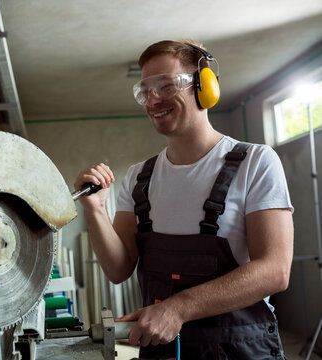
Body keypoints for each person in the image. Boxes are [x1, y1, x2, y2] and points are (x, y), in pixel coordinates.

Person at [74, 39, 294, 359]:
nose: (153, 100)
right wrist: (95, 211)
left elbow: (275, 270)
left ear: (204, 88)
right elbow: (118, 269)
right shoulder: (139, 178)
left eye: (166, 86)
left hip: (242, 350)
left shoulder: (256, 162)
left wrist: (178, 309)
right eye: (145, 91)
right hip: (163, 350)